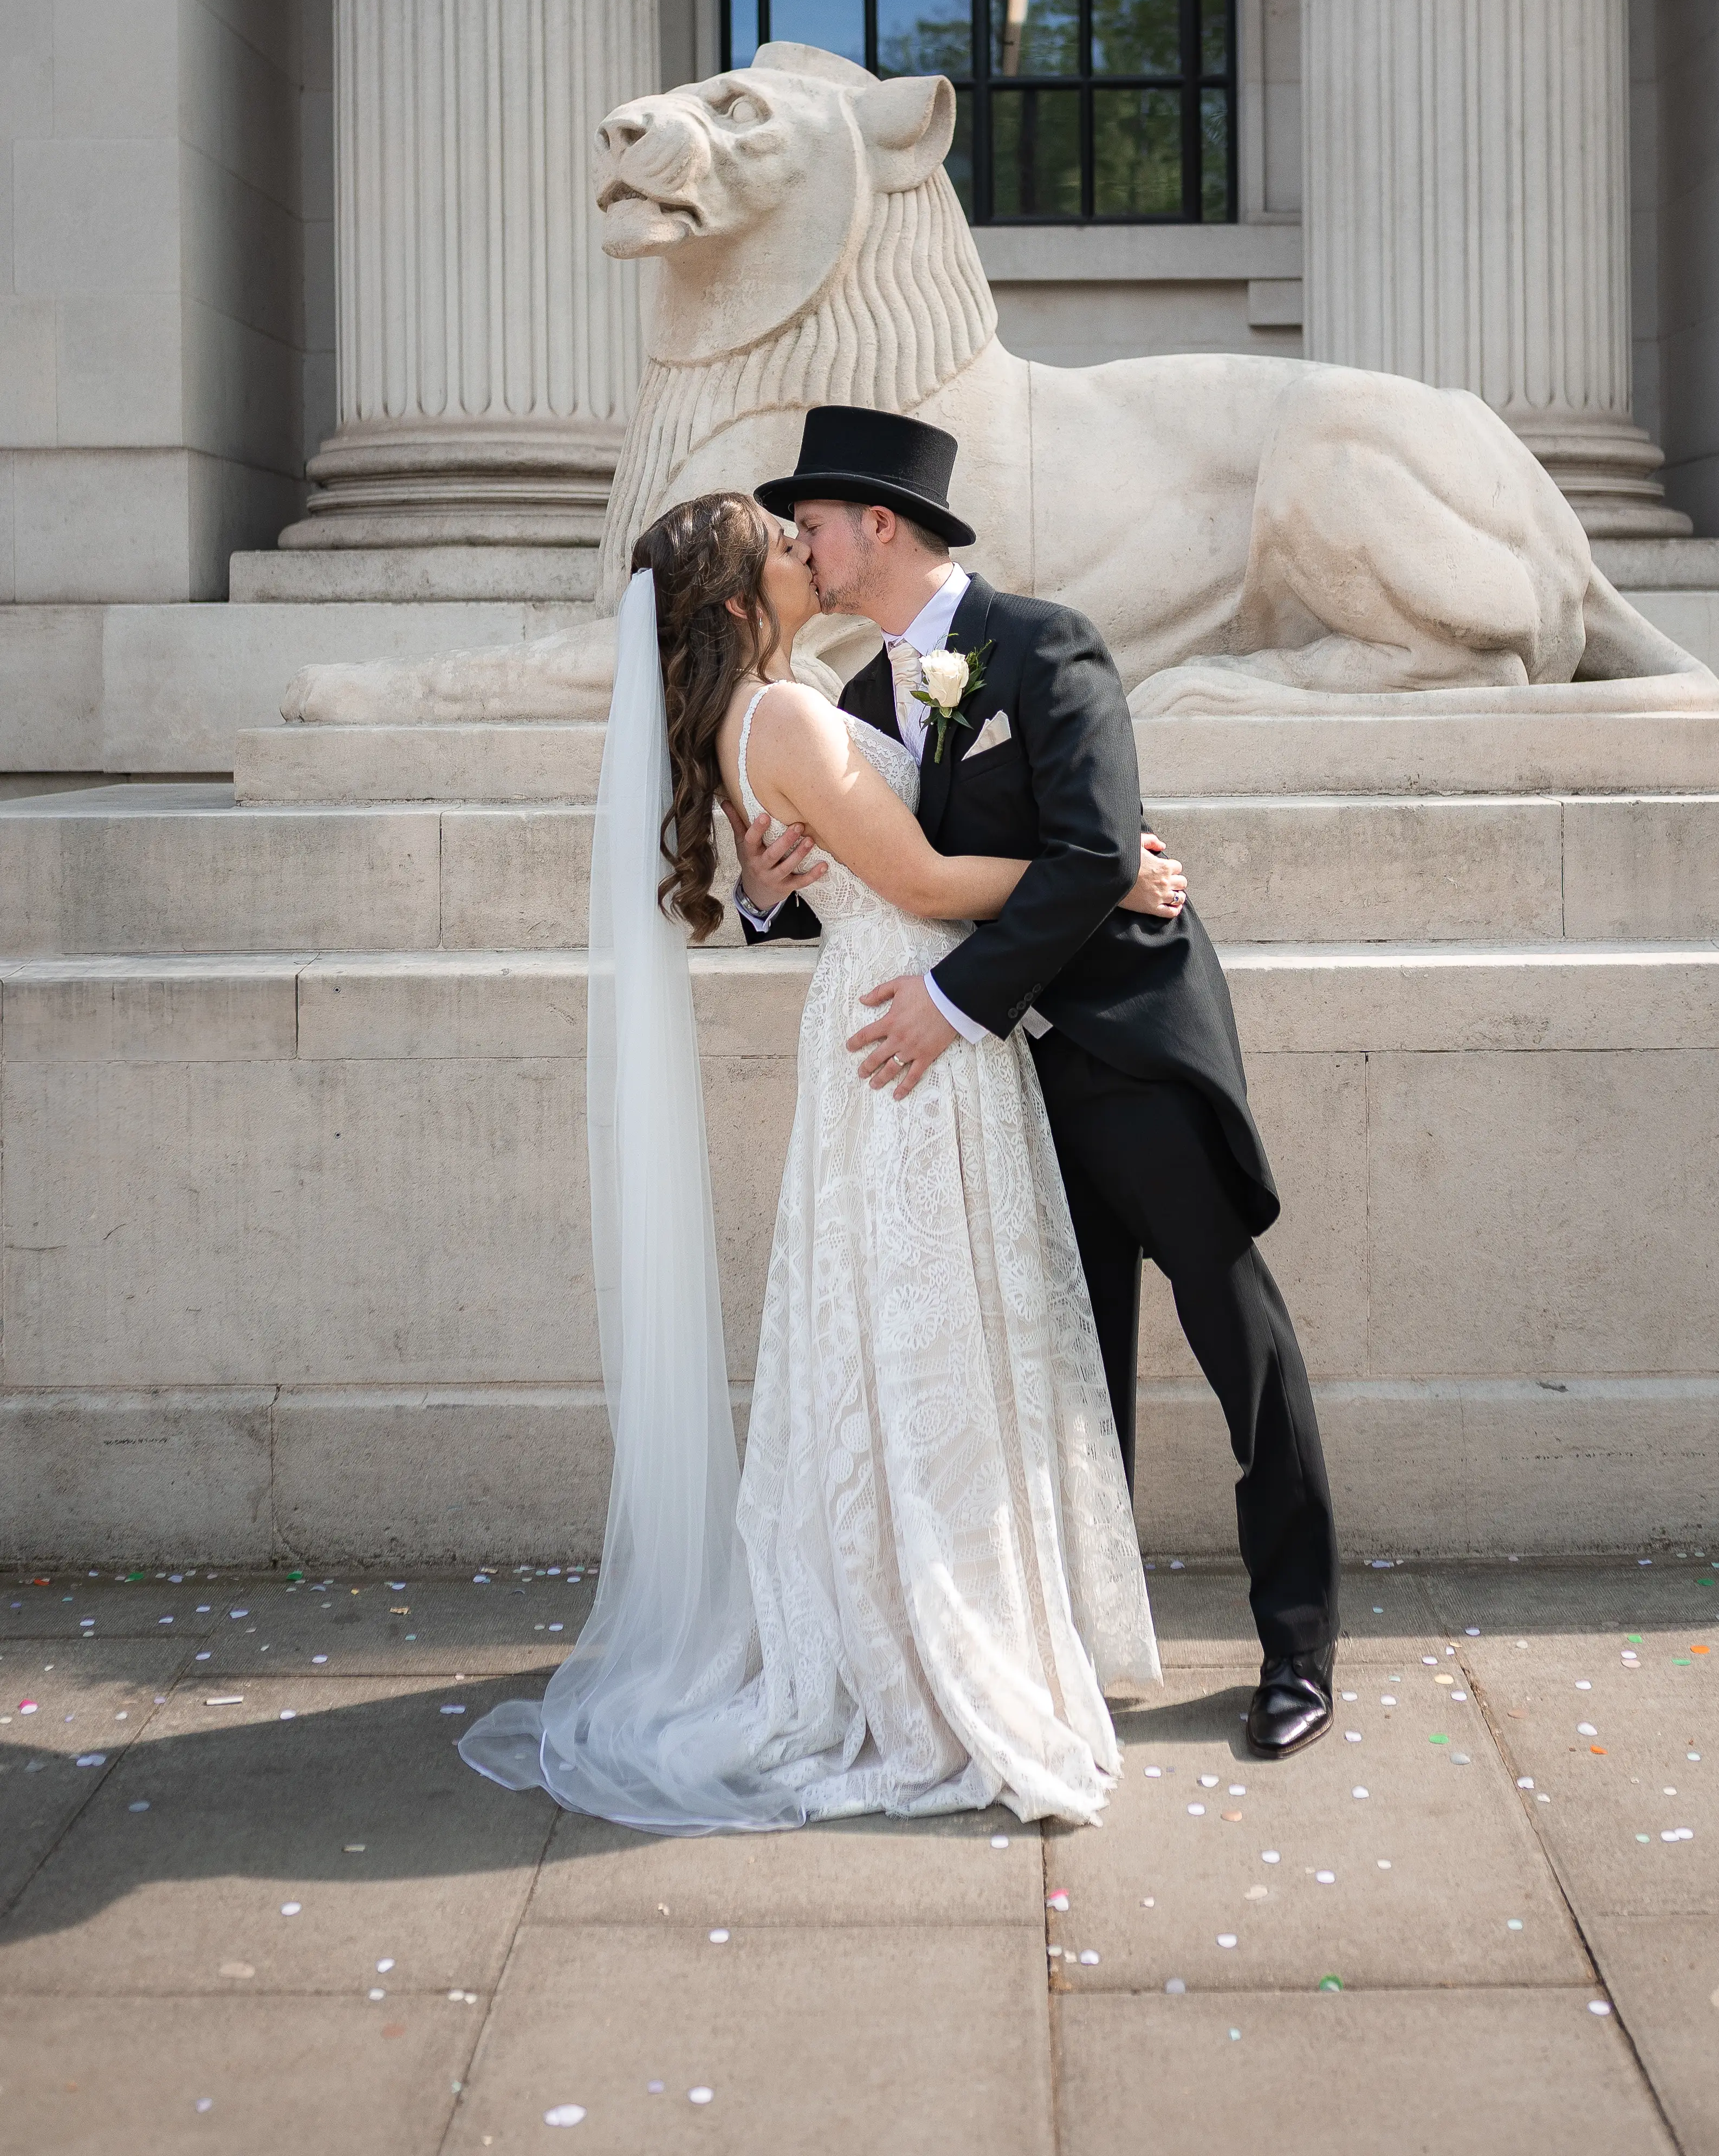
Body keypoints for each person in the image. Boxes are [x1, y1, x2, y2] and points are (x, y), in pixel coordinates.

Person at [460, 485, 1176, 1832]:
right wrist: (1098, 870)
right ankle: (927, 1649)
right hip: (906, 1031)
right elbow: (913, 879)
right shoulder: (787, 715)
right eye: (785, 547)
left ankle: (900, 1611)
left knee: (905, 1343)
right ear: (740, 604)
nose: (810, 549)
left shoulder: (789, 706)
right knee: (927, 1343)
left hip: (880, 1025)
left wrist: (770, 889)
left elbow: (811, 870)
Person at [737, 405, 1341, 1758]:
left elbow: (1094, 851)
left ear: (878, 525)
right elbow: (871, 881)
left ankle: (1297, 1647)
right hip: (999, 1098)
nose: (805, 549)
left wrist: (952, 1003)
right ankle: (1060, 1640)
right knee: (1065, 1375)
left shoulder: (1047, 643)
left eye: (816, 526)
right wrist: (768, 897)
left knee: (1240, 1339)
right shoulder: (852, 702)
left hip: (1126, 1050)